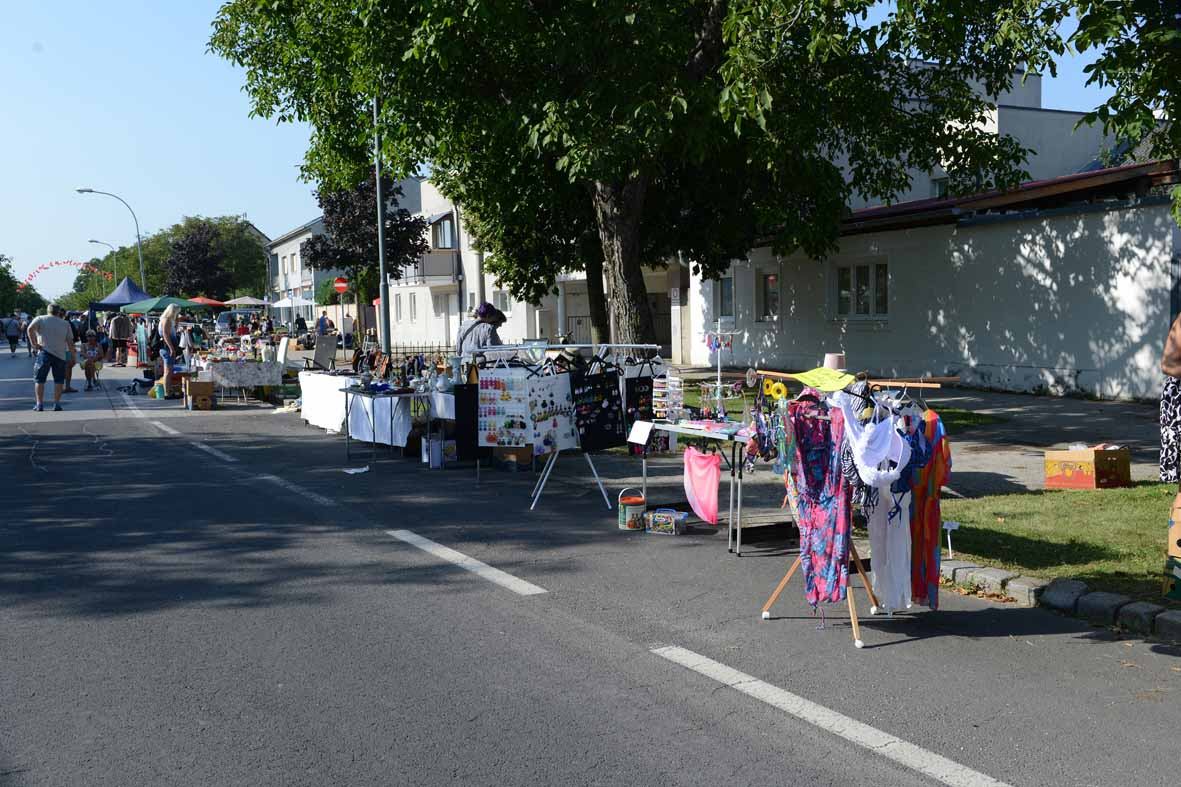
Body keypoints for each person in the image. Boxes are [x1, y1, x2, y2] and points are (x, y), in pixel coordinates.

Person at [26, 304, 72, 411]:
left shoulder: (40, 319)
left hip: (44, 353)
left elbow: (29, 329)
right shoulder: (65, 323)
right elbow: (70, 341)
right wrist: (72, 356)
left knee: (39, 380)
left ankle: (39, 404)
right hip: (60, 355)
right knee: (59, 380)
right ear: (59, 312)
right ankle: (56, 404)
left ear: (48, 310)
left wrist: (34, 344)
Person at [158, 303, 180, 398]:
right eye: (176, 312)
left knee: (168, 371)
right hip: (167, 348)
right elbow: (166, 334)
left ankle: (169, 391)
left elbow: (170, 332)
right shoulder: (166, 320)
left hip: (166, 348)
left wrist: (176, 323)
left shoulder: (166, 319)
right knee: (168, 371)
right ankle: (167, 392)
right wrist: (171, 348)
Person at [62, 316, 80, 393]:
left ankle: (63, 387)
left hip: (57, 350)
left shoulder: (52, 323)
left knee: (63, 368)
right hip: (66, 349)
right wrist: (73, 352)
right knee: (68, 368)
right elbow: (70, 339)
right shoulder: (66, 324)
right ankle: (66, 386)